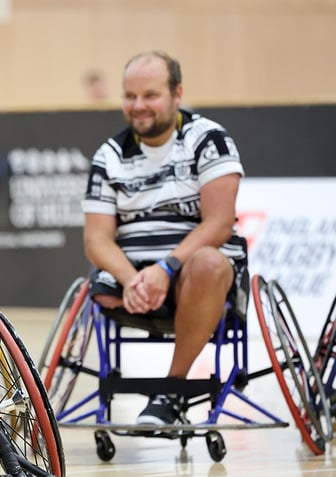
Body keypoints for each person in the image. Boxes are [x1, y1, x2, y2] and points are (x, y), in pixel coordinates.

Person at [81, 50, 246, 426]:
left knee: (207, 261)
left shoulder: (209, 140)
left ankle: (171, 389)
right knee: (99, 284)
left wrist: (166, 268)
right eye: (130, 96)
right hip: (134, 283)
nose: (139, 106)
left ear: (177, 93)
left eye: (150, 95)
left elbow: (219, 223)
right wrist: (132, 279)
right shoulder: (108, 156)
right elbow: (97, 240)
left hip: (197, 276)